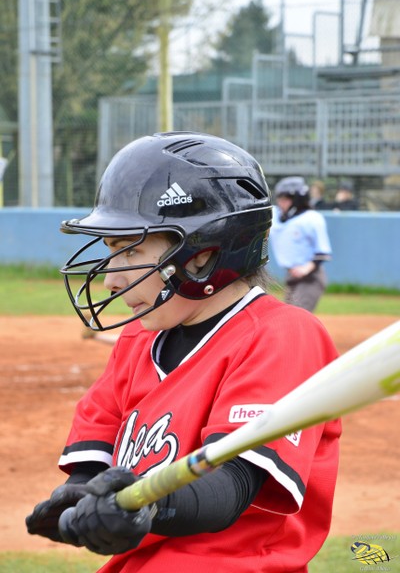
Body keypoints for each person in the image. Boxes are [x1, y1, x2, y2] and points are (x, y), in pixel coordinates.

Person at [26, 132, 341, 573]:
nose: (111, 279)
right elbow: (98, 442)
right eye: (111, 252)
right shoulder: (138, 340)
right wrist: (83, 496)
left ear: (201, 257)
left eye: (131, 250)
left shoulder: (281, 335)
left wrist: (151, 506)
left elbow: (232, 485)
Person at [269, 176, 332, 313]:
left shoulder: (311, 218)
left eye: (285, 199)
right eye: (280, 199)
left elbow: (322, 253)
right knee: (288, 316)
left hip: (310, 278)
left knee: (296, 316)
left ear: (297, 200)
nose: (281, 203)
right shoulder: (276, 215)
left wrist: (305, 269)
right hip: (290, 276)